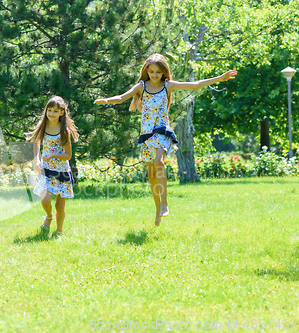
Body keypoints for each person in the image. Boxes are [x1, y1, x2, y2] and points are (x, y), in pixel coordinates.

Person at [94, 53, 237, 226]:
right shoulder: (141, 86)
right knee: (152, 175)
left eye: (158, 72)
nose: (155, 75)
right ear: (147, 70)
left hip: (162, 130)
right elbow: (122, 98)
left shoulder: (167, 85)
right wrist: (106, 100)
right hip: (146, 134)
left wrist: (219, 78)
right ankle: (157, 209)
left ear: (164, 73)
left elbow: (195, 84)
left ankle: (165, 203)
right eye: (152, 71)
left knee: (159, 162)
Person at [26, 96, 79, 236]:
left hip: (62, 171)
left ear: (61, 112)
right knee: (45, 199)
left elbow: (68, 155)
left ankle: (59, 232)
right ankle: (48, 216)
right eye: (49, 110)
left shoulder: (64, 131)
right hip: (46, 169)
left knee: (60, 206)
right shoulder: (43, 126)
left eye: (55, 111)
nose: (51, 114)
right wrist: (36, 159)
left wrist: (53, 155)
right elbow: (37, 143)